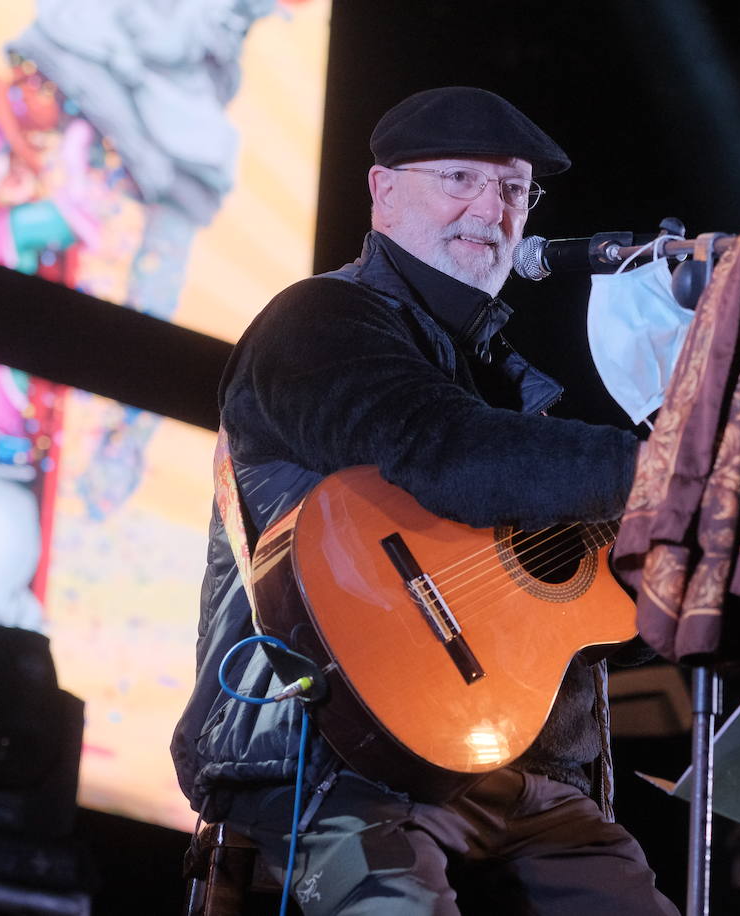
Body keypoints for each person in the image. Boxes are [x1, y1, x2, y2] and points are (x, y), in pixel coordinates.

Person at [171, 86, 678, 914]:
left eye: (515, 190)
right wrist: (672, 468)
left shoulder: (513, 388)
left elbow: (587, 623)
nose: (492, 208)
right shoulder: (319, 320)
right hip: (336, 759)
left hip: (530, 782)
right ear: (383, 191)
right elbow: (445, 453)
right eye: (459, 178)